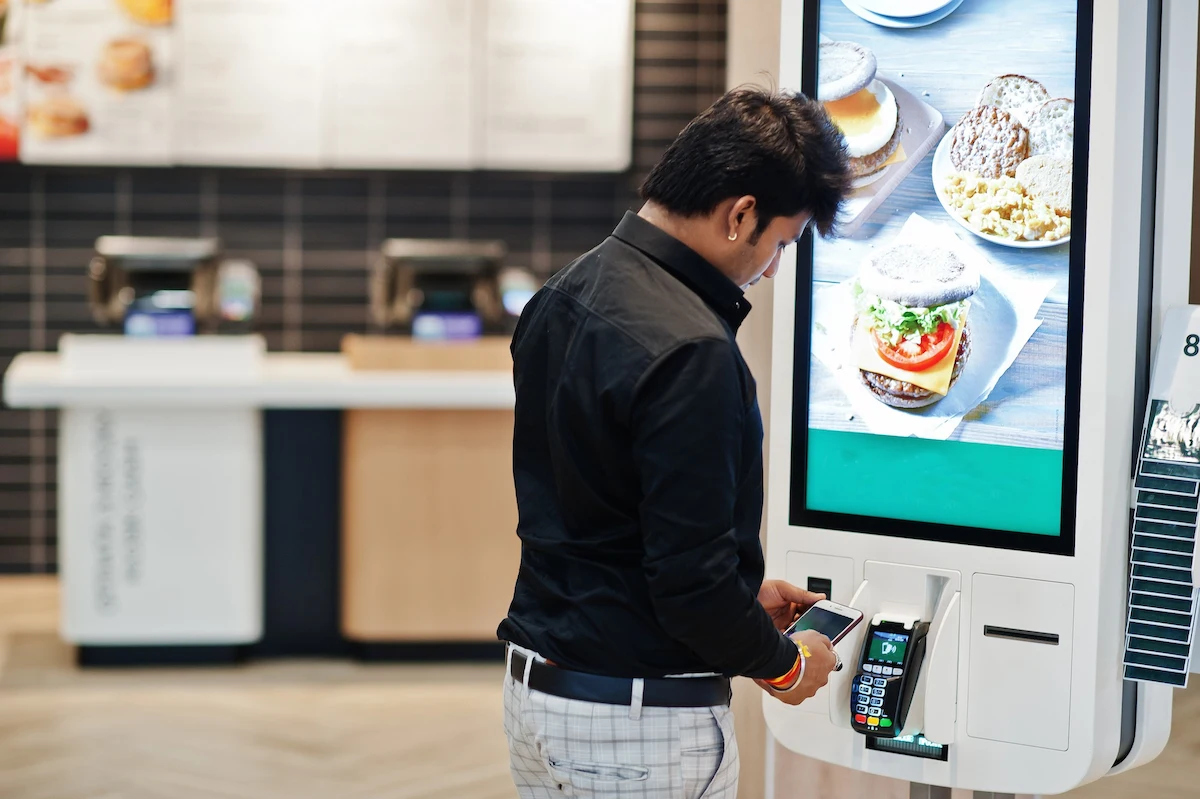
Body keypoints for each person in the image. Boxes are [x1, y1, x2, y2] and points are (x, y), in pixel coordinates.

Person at [498, 87, 853, 798]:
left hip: (538, 697)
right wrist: (783, 662)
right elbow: (687, 589)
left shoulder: (564, 292)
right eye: (782, 243)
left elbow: (604, 515)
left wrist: (740, 594)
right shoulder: (692, 348)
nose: (773, 268)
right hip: (637, 724)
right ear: (741, 214)